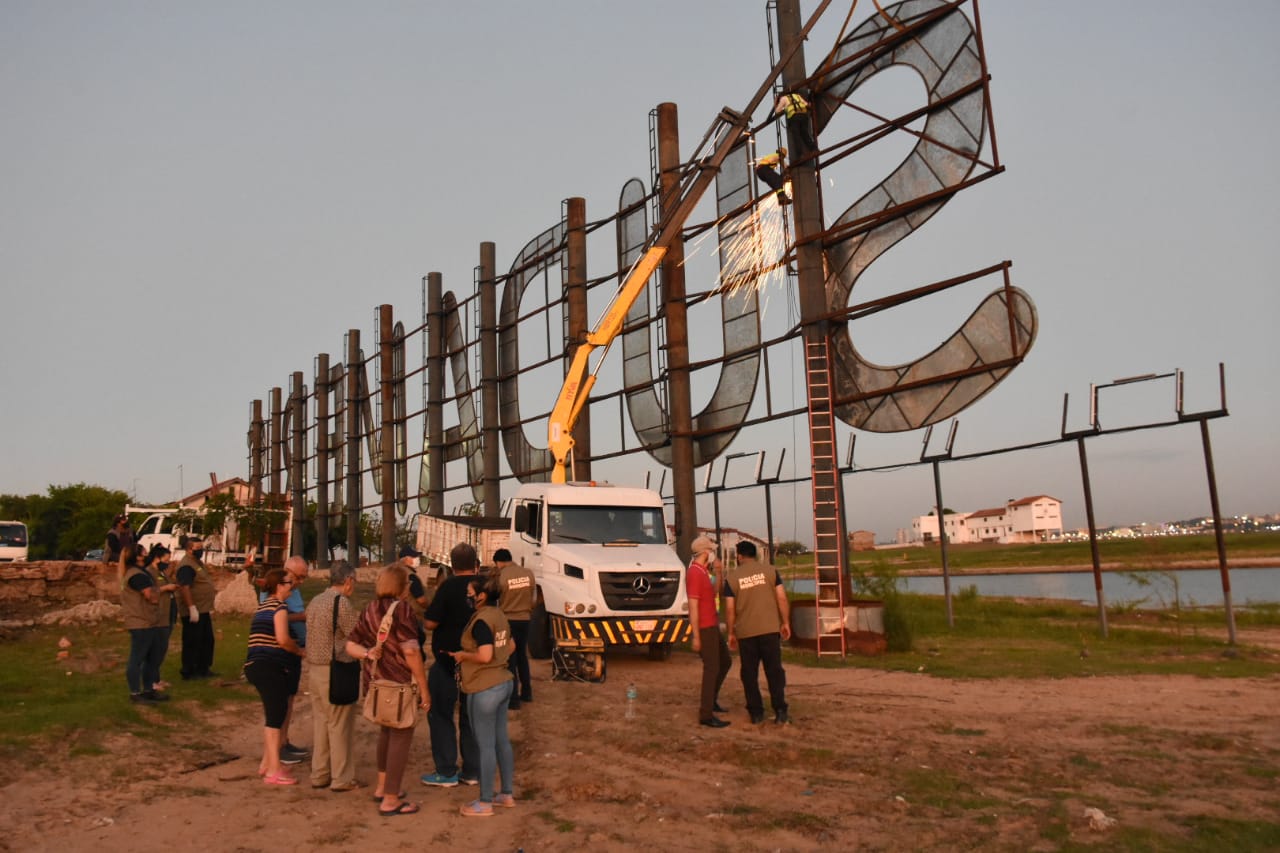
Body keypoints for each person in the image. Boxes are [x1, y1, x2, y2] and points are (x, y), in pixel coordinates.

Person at [346, 564, 430, 817]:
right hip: (400, 683)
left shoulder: (370, 609)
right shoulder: (402, 610)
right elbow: (411, 651)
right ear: (401, 587)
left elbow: (350, 644)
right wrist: (424, 688)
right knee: (401, 736)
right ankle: (391, 799)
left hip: (377, 681)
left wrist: (367, 654)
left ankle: (382, 787)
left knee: (386, 732)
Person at [451, 575, 516, 817]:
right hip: (504, 682)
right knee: (501, 741)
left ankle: (485, 802)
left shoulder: (481, 621)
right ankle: (506, 794)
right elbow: (511, 646)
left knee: (485, 745)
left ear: (481, 596)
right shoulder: (499, 615)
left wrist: (463, 656)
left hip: (484, 687)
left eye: (470, 592)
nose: (467, 596)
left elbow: (485, 655)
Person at [420, 542, 482, 788]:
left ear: (452, 565)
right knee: (471, 717)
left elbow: (430, 623)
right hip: (477, 663)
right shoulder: (483, 588)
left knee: (441, 714)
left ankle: (446, 771)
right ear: (475, 563)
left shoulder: (446, 588)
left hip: (447, 662)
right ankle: (473, 771)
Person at [243, 569, 305, 785]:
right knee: (275, 715)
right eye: (289, 583)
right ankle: (274, 770)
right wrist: (299, 651)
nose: (292, 586)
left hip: (257, 666)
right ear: (279, 585)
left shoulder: (264, 606)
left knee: (274, 712)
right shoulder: (279, 608)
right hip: (268, 666)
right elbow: (283, 639)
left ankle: (267, 763)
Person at [304, 559, 361, 792]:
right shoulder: (342, 604)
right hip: (335, 669)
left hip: (315, 669)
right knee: (339, 725)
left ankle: (320, 773)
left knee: (321, 723)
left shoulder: (316, 601)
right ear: (348, 581)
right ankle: (342, 777)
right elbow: (355, 634)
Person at [723, 540, 792, 725]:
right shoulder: (771, 571)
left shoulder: (732, 578)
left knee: (749, 674)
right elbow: (782, 598)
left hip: (746, 633)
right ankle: (780, 710)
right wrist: (785, 622)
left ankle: (756, 713)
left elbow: (729, 609)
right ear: (755, 554)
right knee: (774, 671)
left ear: (739, 556)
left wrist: (731, 632)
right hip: (770, 629)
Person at [260, 555, 310, 766]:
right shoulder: (273, 591)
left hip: (295, 649)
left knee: (289, 699)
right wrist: (302, 617)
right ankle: (277, 748)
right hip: (282, 651)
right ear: (288, 571)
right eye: (299, 576)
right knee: (280, 702)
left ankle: (284, 740)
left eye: (304, 578)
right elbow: (271, 615)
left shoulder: (294, 591)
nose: (301, 581)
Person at [686, 535, 731, 728]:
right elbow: (693, 606)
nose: (713, 553)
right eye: (711, 550)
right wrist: (696, 635)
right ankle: (706, 713)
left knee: (725, 662)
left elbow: (714, 593)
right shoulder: (695, 573)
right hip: (704, 627)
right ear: (705, 552)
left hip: (711, 624)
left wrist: (719, 573)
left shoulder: (703, 571)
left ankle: (711, 701)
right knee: (712, 668)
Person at [121, 543, 169, 704]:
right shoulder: (137, 575)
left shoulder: (137, 572)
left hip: (148, 621)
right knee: (137, 658)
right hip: (141, 622)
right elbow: (150, 596)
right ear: (138, 556)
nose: (147, 554)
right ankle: (135, 692)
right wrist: (158, 593)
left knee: (151, 658)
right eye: (144, 552)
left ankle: (149, 690)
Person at [493, 547, 535, 708]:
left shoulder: (501, 576)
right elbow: (533, 597)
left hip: (508, 620)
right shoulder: (528, 573)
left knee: (510, 659)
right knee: (522, 657)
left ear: (499, 562)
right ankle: (527, 692)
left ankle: (513, 699)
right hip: (525, 619)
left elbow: (497, 599)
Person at [176, 537, 217, 680]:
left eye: (201, 547)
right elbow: (184, 587)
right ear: (189, 549)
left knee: (206, 640)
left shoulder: (197, 562)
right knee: (192, 641)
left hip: (203, 609)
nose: (201, 550)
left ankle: (203, 668)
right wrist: (191, 607)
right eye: (197, 548)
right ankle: (189, 671)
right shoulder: (186, 565)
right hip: (194, 610)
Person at [146, 544, 178, 693]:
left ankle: (156, 678)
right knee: (156, 649)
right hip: (157, 616)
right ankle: (151, 681)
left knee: (162, 648)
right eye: (166, 559)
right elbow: (150, 592)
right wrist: (166, 588)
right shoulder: (149, 573)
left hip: (167, 615)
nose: (168, 562)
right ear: (157, 558)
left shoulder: (162, 572)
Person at [774, 89, 817, 157]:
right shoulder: (797, 96)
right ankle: (814, 149)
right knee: (805, 133)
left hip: (794, 117)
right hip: (803, 115)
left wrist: (776, 103)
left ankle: (800, 154)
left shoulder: (783, 99)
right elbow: (806, 104)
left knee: (796, 135)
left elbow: (777, 111)